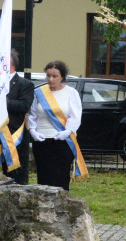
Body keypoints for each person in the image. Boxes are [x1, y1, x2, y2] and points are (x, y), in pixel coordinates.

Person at [0, 50, 34, 183]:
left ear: (12, 63)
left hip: (13, 134)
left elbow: (23, 106)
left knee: (14, 177)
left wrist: (1, 101)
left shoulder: (25, 84)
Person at [27, 60, 84, 190]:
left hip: (63, 141)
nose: (51, 79)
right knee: (44, 177)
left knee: (61, 177)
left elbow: (75, 116)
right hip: (42, 140)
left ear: (62, 77)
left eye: (55, 76)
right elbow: (31, 115)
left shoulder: (71, 93)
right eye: (48, 76)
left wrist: (68, 131)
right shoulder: (38, 93)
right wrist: (32, 131)